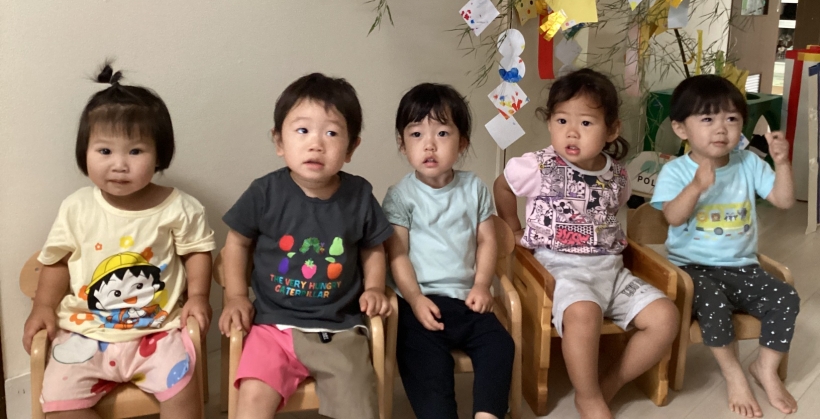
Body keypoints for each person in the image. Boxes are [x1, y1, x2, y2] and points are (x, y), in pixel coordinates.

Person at [22, 64, 215, 418]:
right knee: (58, 403)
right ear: (84, 152)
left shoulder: (179, 207)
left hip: (157, 331)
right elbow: (57, 260)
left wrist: (199, 296)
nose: (120, 165)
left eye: (135, 151)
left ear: (160, 154)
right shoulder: (77, 207)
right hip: (84, 332)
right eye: (105, 151)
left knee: (184, 392)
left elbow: (197, 252)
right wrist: (43, 306)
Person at [494, 68, 678, 419]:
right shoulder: (538, 166)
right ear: (550, 122)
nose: (571, 132)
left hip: (612, 270)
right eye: (561, 120)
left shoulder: (617, 172)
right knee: (583, 313)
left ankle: (609, 384)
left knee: (666, 317)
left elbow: (614, 208)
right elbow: (502, 186)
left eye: (586, 123)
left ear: (612, 130)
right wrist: (513, 227)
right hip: (560, 269)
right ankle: (588, 396)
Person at [218, 73, 393, 419]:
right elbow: (236, 243)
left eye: (331, 133)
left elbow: (373, 247)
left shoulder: (358, 195)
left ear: (351, 148)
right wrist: (236, 296)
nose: (316, 144)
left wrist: (374, 287)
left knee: (359, 402)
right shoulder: (264, 192)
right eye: (302, 130)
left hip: (340, 328)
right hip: (272, 327)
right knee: (252, 397)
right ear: (279, 141)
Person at [651, 74, 799, 417]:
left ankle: (764, 368)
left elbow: (784, 200)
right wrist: (696, 187)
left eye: (731, 118)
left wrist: (782, 163)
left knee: (786, 297)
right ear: (681, 129)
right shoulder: (676, 171)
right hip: (691, 269)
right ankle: (734, 374)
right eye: (707, 119)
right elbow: (672, 217)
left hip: (743, 266)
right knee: (714, 304)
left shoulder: (748, 163)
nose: (721, 128)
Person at [383, 83, 514, 419]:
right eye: (416, 134)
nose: (429, 144)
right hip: (420, 303)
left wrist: (482, 285)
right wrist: (414, 299)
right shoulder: (400, 195)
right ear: (402, 144)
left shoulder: (474, 188)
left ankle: (487, 415)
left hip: (467, 298)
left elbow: (487, 241)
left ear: (462, 143)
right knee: (423, 360)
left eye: (442, 133)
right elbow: (397, 254)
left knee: (500, 345)